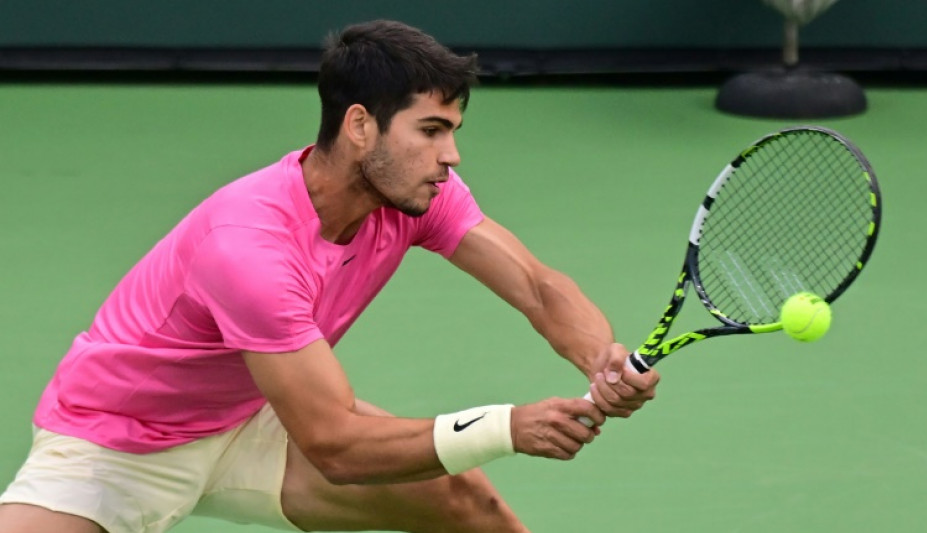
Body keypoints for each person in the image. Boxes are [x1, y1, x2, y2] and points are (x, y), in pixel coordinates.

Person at [0, 19, 659, 533]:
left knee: (464, 500)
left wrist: (598, 355)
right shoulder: (249, 246)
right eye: (430, 131)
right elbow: (336, 446)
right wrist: (506, 426)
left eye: (453, 131)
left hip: (248, 415)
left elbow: (539, 286)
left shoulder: (421, 193)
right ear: (359, 126)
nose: (450, 156)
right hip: (116, 442)